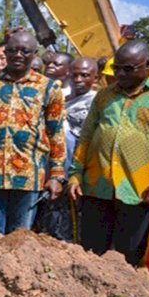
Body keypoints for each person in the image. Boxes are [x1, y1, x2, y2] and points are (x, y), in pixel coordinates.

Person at [68, 40, 149, 266]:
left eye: (127, 69)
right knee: (90, 255)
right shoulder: (104, 95)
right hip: (96, 187)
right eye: (117, 67)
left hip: (138, 191)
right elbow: (87, 137)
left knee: (126, 260)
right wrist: (75, 173)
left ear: (148, 64)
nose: (119, 73)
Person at [0, 30, 66, 234]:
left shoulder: (48, 88)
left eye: (25, 51)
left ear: (34, 54)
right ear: (5, 53)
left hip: (28, 177)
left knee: (21, 239)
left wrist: (56, 175)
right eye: (13, 50)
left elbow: (56, 134)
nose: (18, 55)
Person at [34, 57, 98, 242]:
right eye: (74, 74)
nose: (78, 79)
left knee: (68, 220)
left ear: (95, 77)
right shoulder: (60, 97)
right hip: (50, 167)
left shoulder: (97, 102)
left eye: (84, 75)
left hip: (76, 171)